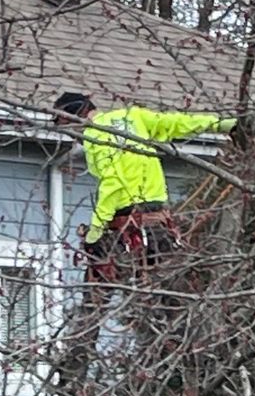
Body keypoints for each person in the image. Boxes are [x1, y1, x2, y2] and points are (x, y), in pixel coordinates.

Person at [53, 91, 236, 280]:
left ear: (76, 116)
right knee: (162, 287)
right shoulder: (132, 116)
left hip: (127, 224)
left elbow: (112, 184)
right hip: (157, 221)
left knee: (98, 286)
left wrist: (96, 232)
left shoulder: (95, 136)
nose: (74, 137)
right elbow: (177, 122)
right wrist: (222, 125)